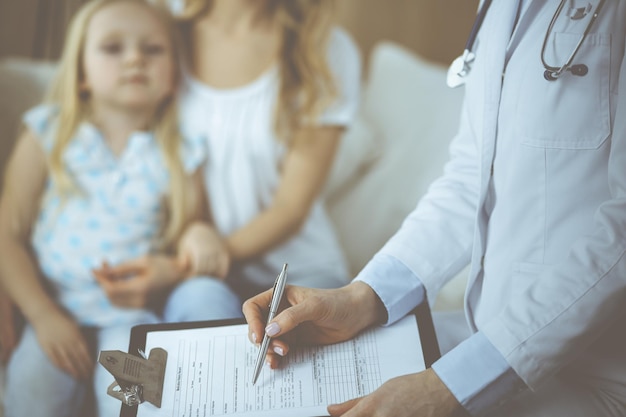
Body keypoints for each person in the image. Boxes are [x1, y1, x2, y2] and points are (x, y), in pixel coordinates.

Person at [243, 1, 626, 416]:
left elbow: (620, 235)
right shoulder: (498, 8)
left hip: (593, 374)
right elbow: (470, 180)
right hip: (483, 336)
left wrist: (448, 386)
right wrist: (361, 297)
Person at [0, 1, 242, 416]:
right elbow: (8, 231)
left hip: (131, 318)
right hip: (54, 306)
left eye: (152, 49)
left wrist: (199, 233)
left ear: (172, 77)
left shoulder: (178, 149)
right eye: (113, 48)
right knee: (31, 393)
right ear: (80, 73)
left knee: (138, 402)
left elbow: (192, 224)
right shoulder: (48, 132)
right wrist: (41, 314)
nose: (134, 58)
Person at [98, 0, 362, 303]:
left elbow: (291, 207)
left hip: (299, 269)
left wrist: (183, 265)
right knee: (201, 306)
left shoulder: (324, 49)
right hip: (198, 275)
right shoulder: (160, 27)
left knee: (293, 334)